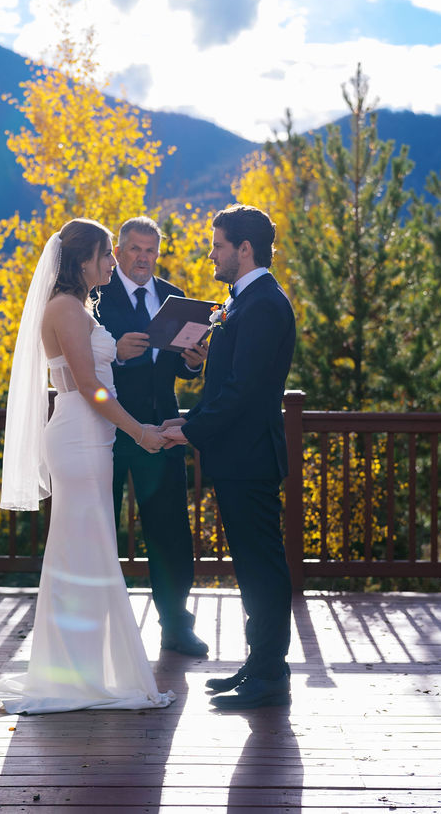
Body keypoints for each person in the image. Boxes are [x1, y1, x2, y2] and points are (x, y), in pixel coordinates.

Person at [0, 218, 175, 714]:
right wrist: (141, 431)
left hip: (90, 437)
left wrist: (117, 351)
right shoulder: (66, 309)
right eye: (105, 255)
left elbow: (92, 373)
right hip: (79, 437)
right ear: (82, 261)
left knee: (85, 551)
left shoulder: (77, 308)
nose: (113, 263)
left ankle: (80, 668)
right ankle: (82, 673)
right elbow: (92, 390)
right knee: (88, 550)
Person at [163, 204, 296, 710]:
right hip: (238, 454)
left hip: (250, 457)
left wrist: (189, 431)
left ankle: (270, 673)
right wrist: (190, 409)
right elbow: (229, 379)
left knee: (262, 566)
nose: (211, 254)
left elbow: (245, 391)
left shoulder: (262, 304)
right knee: (251, 565)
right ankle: (260, 663)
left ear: (245, 248)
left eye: (218, 244)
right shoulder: (243, 301)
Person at [96, 216, 208, 656]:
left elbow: (178, 366)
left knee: (170, 531)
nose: (143, 258)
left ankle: (176, 628)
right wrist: (118, 355)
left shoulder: (174, 298)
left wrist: (195, 361)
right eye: (135, 249)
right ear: (119, 252)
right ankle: (100, 630)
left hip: (161, 430)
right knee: (100, 527)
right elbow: (85, 361)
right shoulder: (95, 295)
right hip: (108, 428)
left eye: (151, 250)